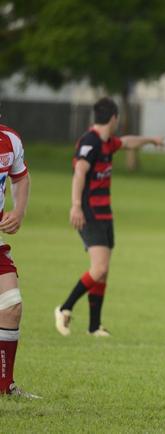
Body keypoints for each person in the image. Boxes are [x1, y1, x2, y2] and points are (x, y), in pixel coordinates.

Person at [54, 97, 164, 336]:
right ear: (114, 118)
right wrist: (75, 206)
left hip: (105, 214)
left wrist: (150, 140)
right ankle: (64, 307)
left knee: (103, 271)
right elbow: (79, 172)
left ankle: (94, 326)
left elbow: (126, 142)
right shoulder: (90, 142)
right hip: (89, 213)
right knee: (99, 268)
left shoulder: (107, 142)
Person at [0, 123, 36, 397]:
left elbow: (21, 177)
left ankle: (4, 386)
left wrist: (19, 211)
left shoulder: (10, 140)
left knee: (11, 306)